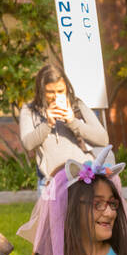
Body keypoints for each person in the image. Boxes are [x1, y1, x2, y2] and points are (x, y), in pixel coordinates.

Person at [19, 63, 109, 191]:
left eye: (60, 91)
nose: (56, 96)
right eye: (50, 92)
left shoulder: (77, 105)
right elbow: (27, 144)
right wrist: (47, 124)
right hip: (51, 183)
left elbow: (103, 139)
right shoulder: (29, 111)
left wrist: (72, 121)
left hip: (84, 178)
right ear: (41, 91)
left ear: (67, 87)